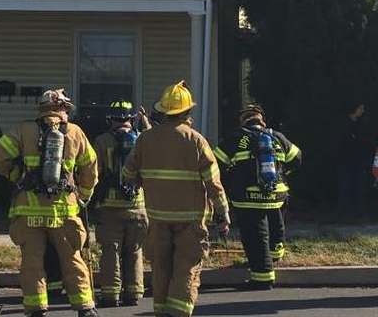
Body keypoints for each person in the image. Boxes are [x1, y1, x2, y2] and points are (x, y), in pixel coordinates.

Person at [122, 81, 230, 317]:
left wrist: (148, 184)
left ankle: (161, 311)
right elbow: (213, 183)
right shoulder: (196, 140)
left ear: (163, 111)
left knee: (161, 268)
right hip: (190, 220)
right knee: (187, 267)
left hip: (157, 217)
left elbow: (128, 174)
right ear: (187, 111)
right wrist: (223, 213)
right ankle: (178, 313)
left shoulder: (145, 139)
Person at [0, 89, 99, 317]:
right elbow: (90, 167)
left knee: (32, 262)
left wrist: (16, 175)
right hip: (63, 210)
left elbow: (0, 154)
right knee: (73, 259)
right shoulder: (74, 132)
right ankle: (85, 307)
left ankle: (35, 308)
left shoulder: (24, 130)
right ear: (64, 110)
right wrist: (83, 195)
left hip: (28, 211)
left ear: (40, 110)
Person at [214, 104, 301, 290]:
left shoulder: (236, 138)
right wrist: (282, 173)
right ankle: (275, 255)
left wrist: (230, 179)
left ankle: (262, 276)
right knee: (276, 221)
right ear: (261, 119)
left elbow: (215, 165)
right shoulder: (277, 137)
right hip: (276, 193)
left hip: (248, 196)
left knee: (255, 235)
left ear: (242, 120)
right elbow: (297, 158)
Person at [93, 100, 150, 308]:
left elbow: (94, 171)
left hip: (109, 207)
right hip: (137, 206)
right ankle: (134, 294)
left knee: (111, 250)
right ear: (131, 119)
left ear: (111, 119)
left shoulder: (102, 140)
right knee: (135, 250)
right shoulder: (142, 139)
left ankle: (110, 295)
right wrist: (145, 122)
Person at [336, 101, 367, 218]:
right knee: (345, 186)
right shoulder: (344, 124)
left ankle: (357, 211)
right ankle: (343, 212)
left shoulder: (360, 124)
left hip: (358, 160)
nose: (362, 111)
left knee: (358, 186)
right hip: (346, 161)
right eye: (360, 108)